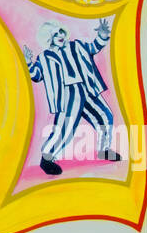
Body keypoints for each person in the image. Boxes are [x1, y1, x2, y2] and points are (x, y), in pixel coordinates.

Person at [24, 19, 121, 176]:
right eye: (55, 34)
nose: (60, 35)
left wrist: (102, 35)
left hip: (86, 87)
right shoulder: (45, 57)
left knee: (105, 116)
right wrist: (28, 64)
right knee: (65, 128)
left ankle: (104, 149)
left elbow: (94, 47)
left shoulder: (77, 46)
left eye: (61, 31)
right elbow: (36, 76)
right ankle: (47, 158)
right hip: (67, 94)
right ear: (49, 39)